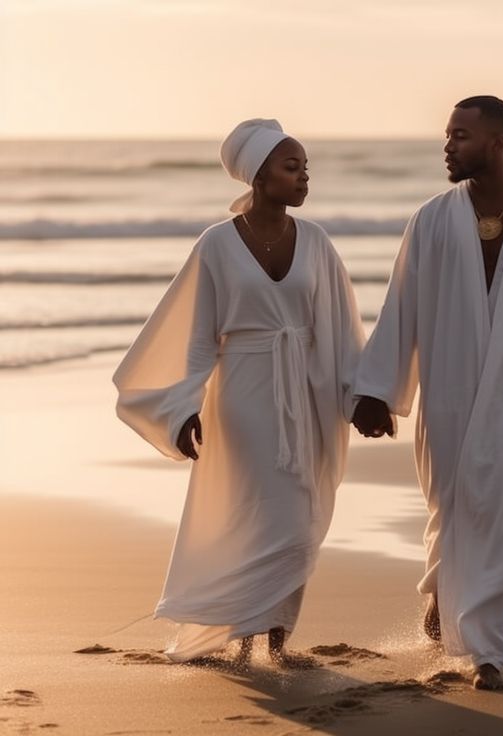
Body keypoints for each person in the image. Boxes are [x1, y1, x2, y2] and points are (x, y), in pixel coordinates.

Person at [351, 96, 503, 690]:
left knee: (502, 521)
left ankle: (487, 653)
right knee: (451, 511)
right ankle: (442, 592)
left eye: (460, 134)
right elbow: (400, 306)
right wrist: (376, 391)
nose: (448, 145)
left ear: (498, 141)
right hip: (447, 398)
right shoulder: (430, 219)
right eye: (447, 135)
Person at [113, 119, 364, 667]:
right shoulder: (217, 245)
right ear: (258, 174)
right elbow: (194, 335)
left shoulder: (316, 241)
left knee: (298, 517)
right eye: (291, 166)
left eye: (305, 168)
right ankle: (247, 638)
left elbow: (341, 327)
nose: (303, 177)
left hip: (306, 391)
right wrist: (181, 409)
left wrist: (362, 394)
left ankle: (277, 638)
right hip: (243, 396)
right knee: (254, 515)